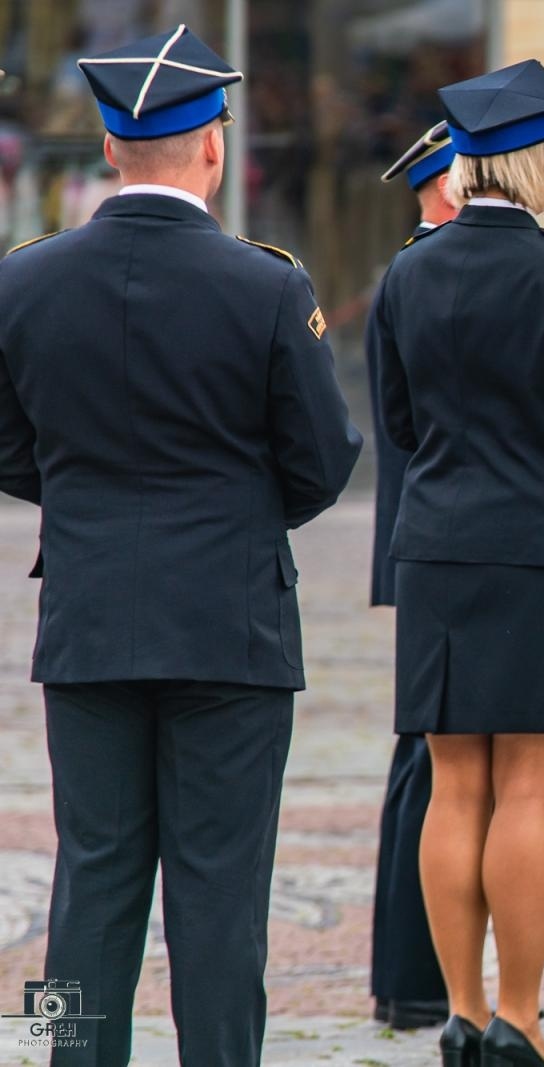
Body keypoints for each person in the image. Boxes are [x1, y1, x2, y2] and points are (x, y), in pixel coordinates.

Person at [0, 25, 362, 1066]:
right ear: (214, 145)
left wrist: (86, 500)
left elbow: (9, 443)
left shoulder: (24, 281)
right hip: (228, 620)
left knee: (87, 880)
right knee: (220, 890)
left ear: (109, 150)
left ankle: (67, 1059)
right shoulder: (267, 284)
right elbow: (322, 460)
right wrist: (234, 519)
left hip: (90, 611)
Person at [374, 59, 544, 1067]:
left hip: (438, 543)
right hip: (539, 545)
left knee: (453, 787)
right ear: (536, 159)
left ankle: (459, 1008)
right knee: (527, 791)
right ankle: (520, 1019)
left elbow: (397, 421)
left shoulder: (408, 270)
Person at [367, 119, 457, 1032]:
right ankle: (413, 975)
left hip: (421, 540)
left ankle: (413, 977)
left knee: (426, 765)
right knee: (430, 769)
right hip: (440, 543)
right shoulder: (424, 272)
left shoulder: (413, 268)